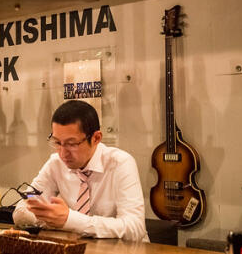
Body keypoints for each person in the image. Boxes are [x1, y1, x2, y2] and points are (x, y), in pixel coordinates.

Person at [12, 100, 147, 241]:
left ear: (96, 138)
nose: (63, 153)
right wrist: (52, 218)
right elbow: (22, 209)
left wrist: (70, 220)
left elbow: (135, 229)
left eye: (72, 144)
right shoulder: (56, 164)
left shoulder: (120, 163)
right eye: (57, 142)